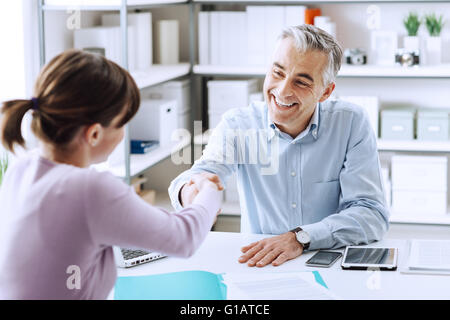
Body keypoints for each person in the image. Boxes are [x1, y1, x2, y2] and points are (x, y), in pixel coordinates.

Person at [0, 49, 222, 299]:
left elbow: (126, 218)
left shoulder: (21, 168)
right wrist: (209, 192)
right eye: (122, 123)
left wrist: (189, 207)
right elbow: (184, 239)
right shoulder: (89, 189)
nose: (125, 133)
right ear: (94, 134)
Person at [169, 24, 389, 268]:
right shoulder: (239, 124)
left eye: (301, 82)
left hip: (327, 264)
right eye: (277, 73)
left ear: (325, 92)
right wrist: (190, 192)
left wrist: (301, 238)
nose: (283, 91)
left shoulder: (350, 123)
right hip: (260, 265)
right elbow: (200, 174)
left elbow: (372, 214)